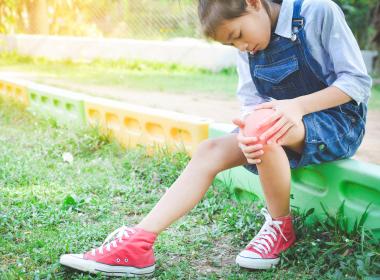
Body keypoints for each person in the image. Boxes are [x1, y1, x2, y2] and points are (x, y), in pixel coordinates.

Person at [59, 0, 372, 276]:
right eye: (231, 45)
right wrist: (249, 129)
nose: (241, 48)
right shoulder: (249, 47)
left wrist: (296, 108)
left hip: (338, 123)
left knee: (262, 127)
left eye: (237, 35)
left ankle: (281, 227)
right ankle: (139, 242)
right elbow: (251, 102)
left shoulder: (317, 11)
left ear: (253, 3)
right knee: (211, 149)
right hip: (278, 126)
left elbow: (356, 82)